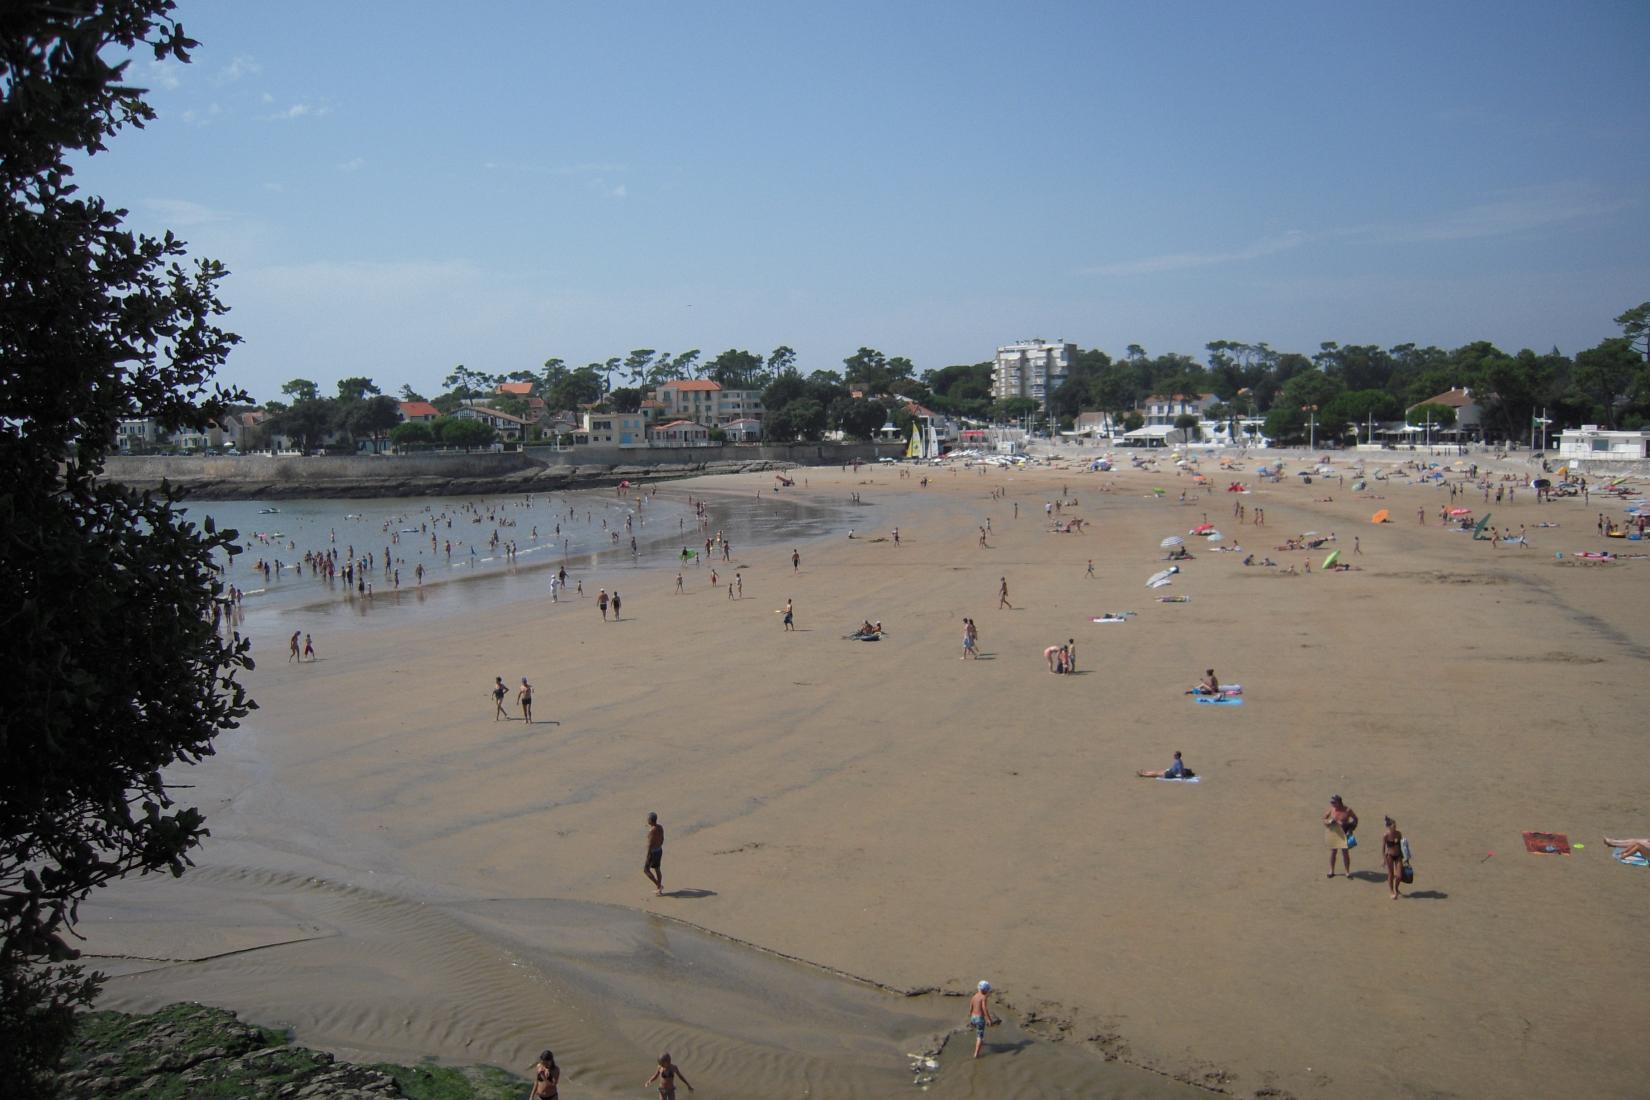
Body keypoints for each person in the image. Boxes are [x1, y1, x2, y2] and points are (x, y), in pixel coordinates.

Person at [1325, 795, 1358, 877]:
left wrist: (1350, 829)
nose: (1332, 804)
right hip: (1334, 833)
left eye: (1333, 802)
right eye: (1331, 802)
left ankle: (1347, 871)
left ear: (1339, 802)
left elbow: (1355, 819)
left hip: (1344, 833)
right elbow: (1324, 818)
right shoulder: (1332, 809)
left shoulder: (1347, 810)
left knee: (1345, 853)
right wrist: (1329, 821)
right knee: (1333, 852)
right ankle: (1331, 871)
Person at [969, 980, 998, 1059]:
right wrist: (989, 1019)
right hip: (979, 1018)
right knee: (980, 1036)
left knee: (978, 1031)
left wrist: (970, 1015)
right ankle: (976, 1054)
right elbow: (984, 1008)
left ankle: (981, 1042)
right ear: (985, 990)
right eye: (987, 990)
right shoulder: (983, 997)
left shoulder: (974, 996)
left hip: (973, 1017)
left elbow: (971, 1005)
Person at [1382, 816, 1405, 900]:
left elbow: (1402, 845)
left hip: (1398, 855)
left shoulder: (1399, 834)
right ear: (1389, 826)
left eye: (1395, 826)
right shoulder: (1386, 835)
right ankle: (1391, 891)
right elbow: (1383, 848)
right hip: (1390, 856)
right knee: (1391, 874)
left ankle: (1396, 888)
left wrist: (1405, 857)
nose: (1395, 827)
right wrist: (1384, 859)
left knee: (1399, 875)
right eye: (1393, 826)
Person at [643, 812, 665, 895]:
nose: (647, 820)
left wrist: (648, 854)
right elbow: (662, 838)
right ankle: (659, 889)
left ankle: (658, 885)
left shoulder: (652, 830)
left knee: (646, 870)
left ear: (651, 821)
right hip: (659, 850)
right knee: (657, 869)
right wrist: (659, 845)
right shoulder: (660, 827)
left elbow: (650, 844)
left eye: (648, 819)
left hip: (653, 852)